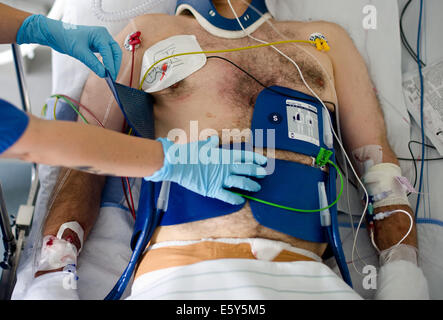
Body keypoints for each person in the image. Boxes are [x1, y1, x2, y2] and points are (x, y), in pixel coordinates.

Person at [23, 0, 429, 300]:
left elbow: (380, 174)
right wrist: (53, 272)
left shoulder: (324, 42)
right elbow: (81, 161)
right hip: (179, 278)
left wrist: (403, 269)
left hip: (308, 279)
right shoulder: (144, 34)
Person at [0, 3, 267, 205]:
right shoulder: (149, 30)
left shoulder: (303, 33)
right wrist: (169, 161)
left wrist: (38, 27)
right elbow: (38, 142)